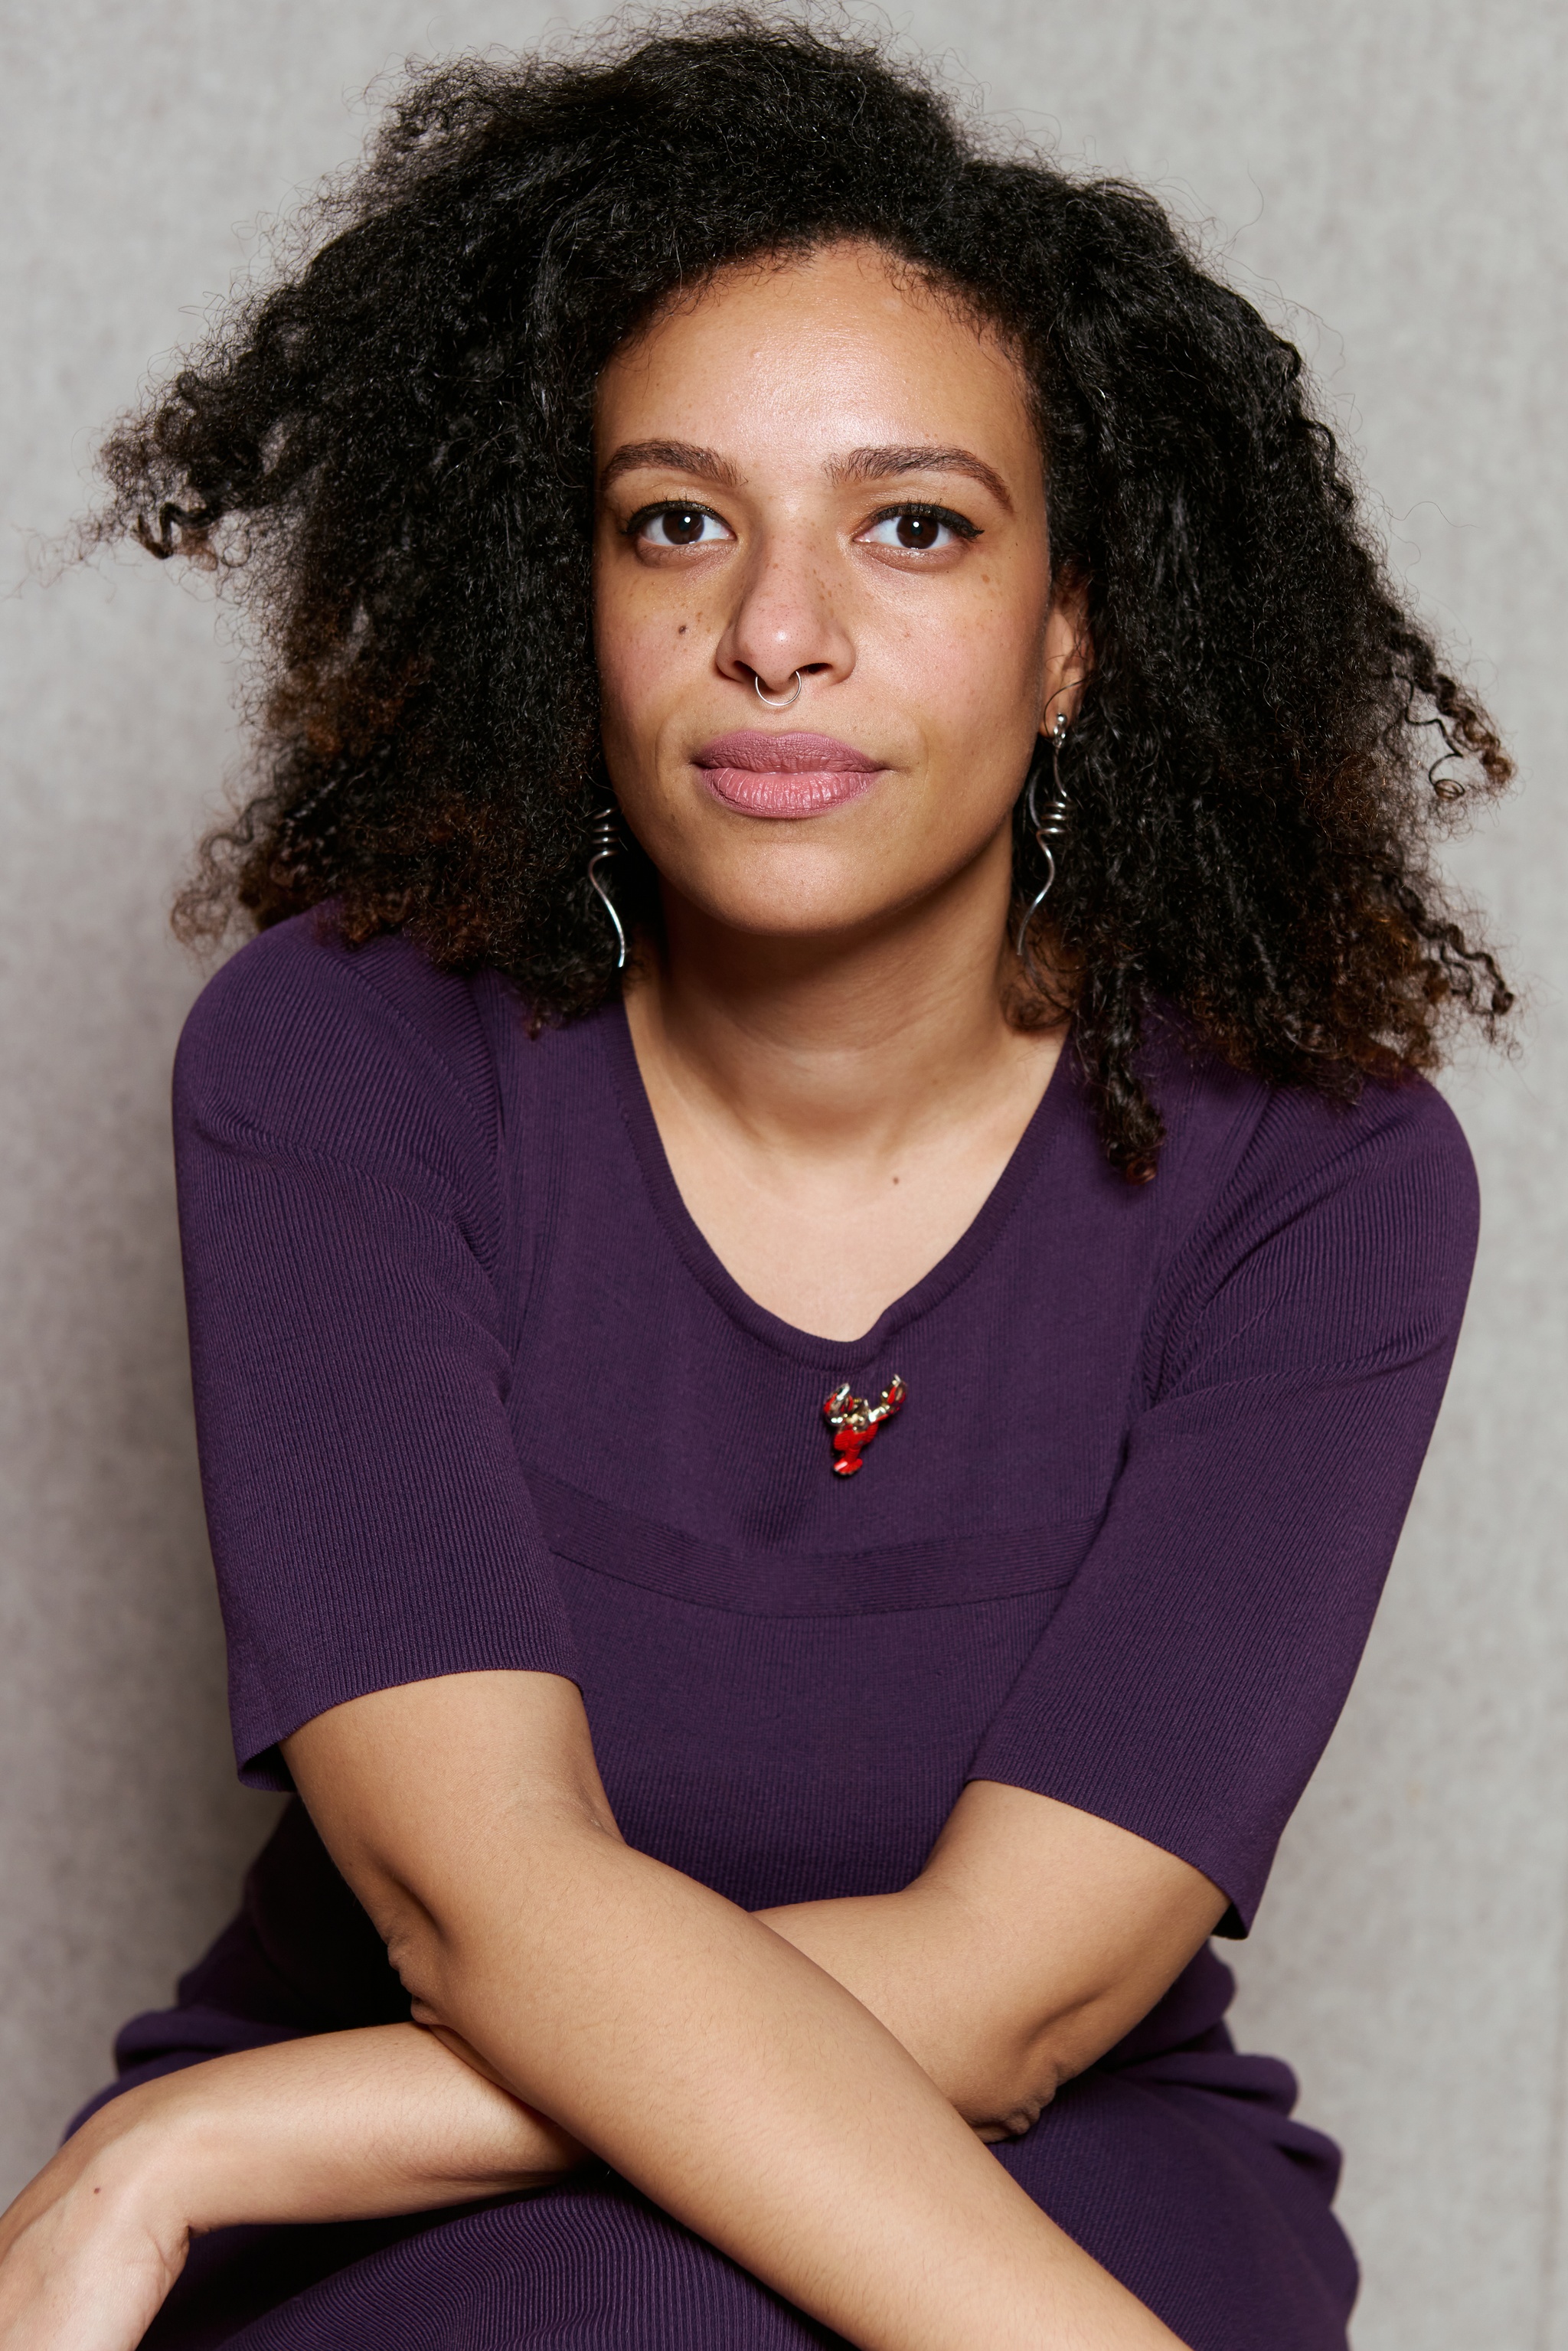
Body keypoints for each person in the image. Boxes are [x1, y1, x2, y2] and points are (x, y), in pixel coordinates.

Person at [0, 18, 1514, 2350]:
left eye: (913, 525)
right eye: (675, 521)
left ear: (1073, 632)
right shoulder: (344, 1063)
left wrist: (204, 2146)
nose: (774, 632)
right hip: (429, 2176)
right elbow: (488, 1906)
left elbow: (1012, 2002)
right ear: (569, 610)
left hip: (1024, 2131)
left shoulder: (1324, 1175)